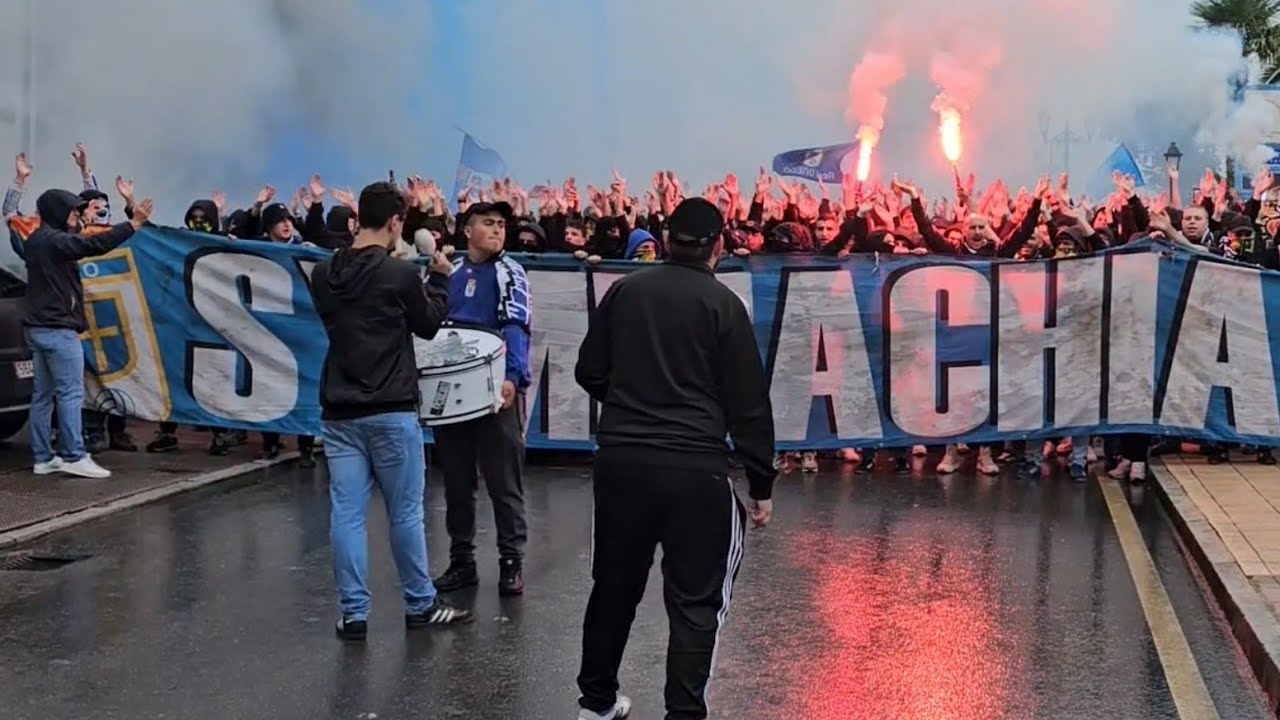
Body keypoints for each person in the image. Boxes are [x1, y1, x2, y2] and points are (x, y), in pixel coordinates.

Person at [573, 197, 776, 720]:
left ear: (665, 241)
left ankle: (595, 704)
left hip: (622, 461)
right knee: (695, 603)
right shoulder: (724, 305)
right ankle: (683, 714)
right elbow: (749, 404)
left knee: (614, 587)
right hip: (695, 468)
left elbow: (588, 371)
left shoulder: (625, 291)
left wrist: (630, 400)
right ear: (719, 245)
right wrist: (761, 484)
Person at [308, 181, 472, 641]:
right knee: (404, 513)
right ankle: (420, 603)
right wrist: (440, 279)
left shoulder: (323, 274)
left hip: (340, 408)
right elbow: (429, 324)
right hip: (391, 405)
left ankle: (354, 613)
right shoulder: (398, 275)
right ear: (396, 222)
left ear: (359, 216)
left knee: (347, 514)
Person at [432, 200, 533, 597]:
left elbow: (516, 324)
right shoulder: (450, 271)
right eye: (487, 223)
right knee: (457, 481)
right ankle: (462, 561)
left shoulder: (510, 272)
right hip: (451, 389)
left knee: (503, 480)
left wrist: (512, 378)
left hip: (493, 388)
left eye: (501, 224)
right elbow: (430, 324)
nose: (496, 230)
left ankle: (511, 561)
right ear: (467, 230)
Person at [23, 188, 153, 478]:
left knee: (43, 396)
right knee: (71, 393)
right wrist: (133, 224)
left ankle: (43, 457)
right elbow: (94, 244)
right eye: (72, 210)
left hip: (38, 328)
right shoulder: (55, 241)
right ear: (57, 212)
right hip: (58, 329)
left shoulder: (36, 240)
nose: (76, 214)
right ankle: (74, 455)